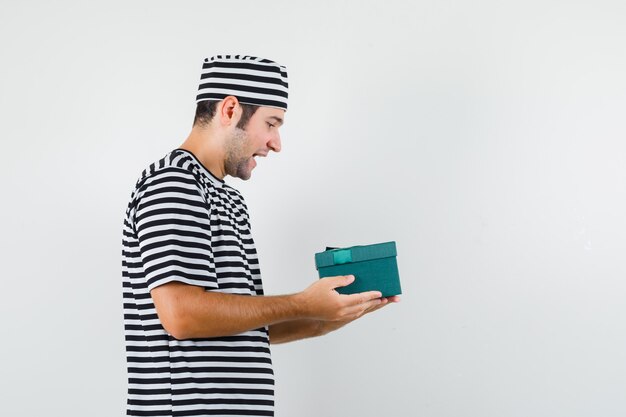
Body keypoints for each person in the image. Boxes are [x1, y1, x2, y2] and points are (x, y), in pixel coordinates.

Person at [121, 54, 400, 417]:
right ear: (230, 109)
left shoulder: (228, 197)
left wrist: (324, 316)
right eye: (271, 123)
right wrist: (301, 303)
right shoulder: (174, 184)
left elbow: (238, 326)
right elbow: (183, 316)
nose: (276, 143)